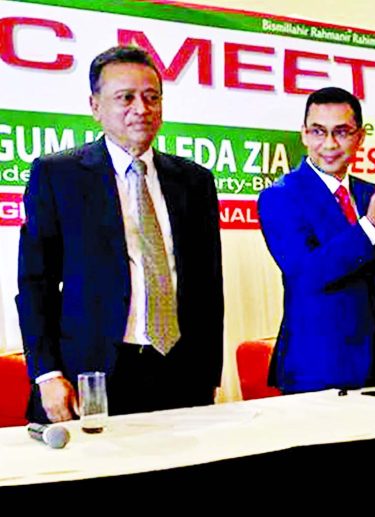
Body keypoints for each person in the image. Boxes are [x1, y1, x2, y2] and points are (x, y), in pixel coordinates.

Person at [17, 46, 224, 423]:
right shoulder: (58, 176)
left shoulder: (194, 181)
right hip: (94, 374)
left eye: (151, 97)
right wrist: (46, 374)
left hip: (180, 370)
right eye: (125, 97)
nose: (141, 108)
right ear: (95, 106)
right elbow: (36, 284)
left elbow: (210, 286)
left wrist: (209, 373)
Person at [258, 87, 375, 393]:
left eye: (342, 132)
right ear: (304, 135)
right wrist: (372, 224)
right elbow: (307, 274)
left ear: (360, 137)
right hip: (316, 366)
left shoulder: (368, 192)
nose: (329, 144)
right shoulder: (280, 196)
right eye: (318, 132)